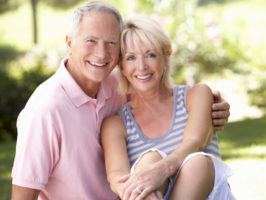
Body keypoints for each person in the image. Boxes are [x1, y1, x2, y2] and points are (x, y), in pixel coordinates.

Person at [11, 1, 230, 199]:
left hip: (174, 188)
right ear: (69, 42)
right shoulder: (45, 110)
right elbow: (22, 194)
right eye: (91, 41)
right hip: (136, 193)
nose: (102, 54)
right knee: (149, 161)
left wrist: (213, 107)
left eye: (111, 43)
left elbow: (157, 90)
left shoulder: (116, 82)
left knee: (186, 163)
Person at [101, 16, 235, 200]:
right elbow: (116, 175)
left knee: (197, 162)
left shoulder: (196, 95)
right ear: (122, 67)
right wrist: (135, 188)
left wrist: (160, 171)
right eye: (131, 58)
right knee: (148, 160)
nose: (141, 66)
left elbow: (194, 142)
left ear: (166, 57)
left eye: (151, 54)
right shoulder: (116, 124)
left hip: (206, 193)